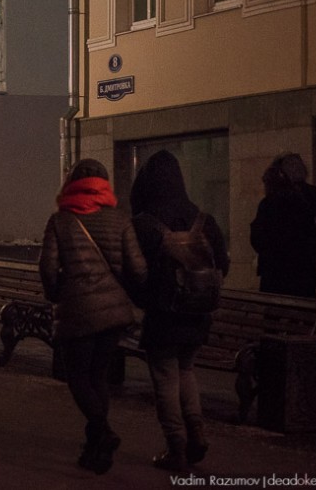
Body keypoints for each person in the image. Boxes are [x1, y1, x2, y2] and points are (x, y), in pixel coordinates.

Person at [39, 158, 146, 475]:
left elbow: (47, 268)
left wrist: (57, 293)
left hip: (78, 312)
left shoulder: (60, 221)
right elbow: (139, 270)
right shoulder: (120, 220)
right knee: (97, 377)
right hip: (113, 314)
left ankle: (103, 432)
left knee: (78, 379)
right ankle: (95, 449)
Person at [131, 150, 230, 471]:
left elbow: (134, 273)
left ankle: (177, 446)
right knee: (186, 371)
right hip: (197, 315)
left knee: (165, 379)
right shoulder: (204, 220)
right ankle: (197, 432)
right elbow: (222, 265)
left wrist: (145, 299)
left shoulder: (145, 224)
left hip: (162, 315)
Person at [250, 153, 316, 299]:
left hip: (274, 266)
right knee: (304, 305)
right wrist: (310, 238)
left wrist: (268, 251)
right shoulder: (312, 195)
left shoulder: (269, 202)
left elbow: (258, 236)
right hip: (304, 263)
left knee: (273, 309)